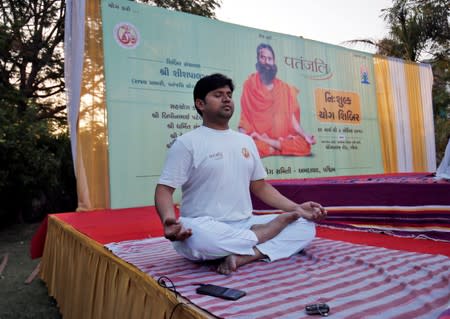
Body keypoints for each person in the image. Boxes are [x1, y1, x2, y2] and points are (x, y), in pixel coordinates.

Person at [155, 73, 327, 275]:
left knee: (305, 226)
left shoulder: (245, 141)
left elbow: (260, 186)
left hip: (245, 223)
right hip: (207, 226)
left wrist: (297, 208)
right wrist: (168, 220)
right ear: (200, 104)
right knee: (198, 238)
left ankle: (248, 254)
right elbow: (164, 190)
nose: (226, 98)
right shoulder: (187, 143)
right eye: (218, 94)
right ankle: (263, 236)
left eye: (228, 94)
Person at [239, 43, 316, 157]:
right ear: (258, 59)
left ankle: (269, 144)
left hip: (281, 138)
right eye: (263, 57)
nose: (266, 62)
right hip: (257, 136)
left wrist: (305, 135)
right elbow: (244, 119)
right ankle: (273, 146)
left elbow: (293, 122)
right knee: (247, 145)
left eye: (269, 59)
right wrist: (244, 139)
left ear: (274, 62)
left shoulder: (284, 88)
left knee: (304, 145)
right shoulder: (249, 85)